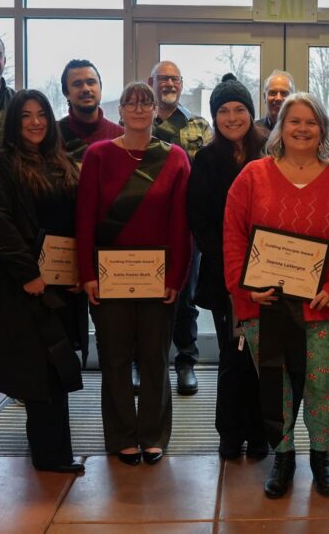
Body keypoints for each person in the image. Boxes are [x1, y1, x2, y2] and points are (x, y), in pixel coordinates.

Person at [224, 92, 329, 499]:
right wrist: (246, 284)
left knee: (320, 386)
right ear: (280, 127)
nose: (302, 129)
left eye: (311, 122)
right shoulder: (252, 175)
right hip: (263, 304)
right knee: (275, 385)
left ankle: (321, 455)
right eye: (293, 121)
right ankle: (283, 457)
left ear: (323, 128)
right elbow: (232, 236)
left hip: (321, 308)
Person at [76, 81, 191, 466]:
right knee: (115, 358)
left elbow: (181, 224)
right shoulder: (98, 155)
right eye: (132, 102)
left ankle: (154, 434)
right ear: (120, 110)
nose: (140, 109)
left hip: (158, 279)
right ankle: (123, 435)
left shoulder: (175, 158)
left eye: (147, 103)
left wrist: (176, 278)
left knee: (156, 356)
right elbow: (85, 218)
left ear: (157, 110)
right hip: (108, 277)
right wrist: (87, 273)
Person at [0, 89, 86, 474]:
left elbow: (77, 222)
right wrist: (29, 274)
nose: (36, 122)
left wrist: (78, 272)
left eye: (41, 113)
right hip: (25, 286)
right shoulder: (0, 164)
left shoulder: (62, 161)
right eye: (26, 115)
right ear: (13, 122)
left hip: (61, 283)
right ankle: (51, 456)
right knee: (40, 374)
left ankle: (51, 451)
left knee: (57, 368)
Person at [187, 74, 268, 460]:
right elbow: (199, 221)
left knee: (263, 358)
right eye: (223, 110)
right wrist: (233, 264)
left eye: (239, 109)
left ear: (251, 114)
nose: (232, 117)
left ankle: (261, 433)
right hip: (226, 277)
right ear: (214, 117)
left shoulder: (270, 153)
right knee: (233, 356)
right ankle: (230, 433)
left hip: (271, 276)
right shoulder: (206, 159)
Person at [148, 60, 212, 395]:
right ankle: (145, 363)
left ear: (182, 84)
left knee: (185, 299)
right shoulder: (135, 123)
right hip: (144, 229)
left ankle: (186, 362)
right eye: (163, 79)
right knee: (145, 297)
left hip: (187, 228)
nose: (169, 84)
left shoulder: (200, 125)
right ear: (151, 82)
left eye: (174, 79)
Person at [58, 58, 123, 162]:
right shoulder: (54, 135)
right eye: (77, 84)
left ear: (100, 88)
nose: (86, 89)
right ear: (66, 93)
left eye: (91, 82)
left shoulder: (120, 136)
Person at [254, 70, 295, 135]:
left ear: (293, 98)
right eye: (273, 93)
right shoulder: (253, 131)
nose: (278, 98)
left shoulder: (299, 131)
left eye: (284, 93)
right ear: (264, 97)